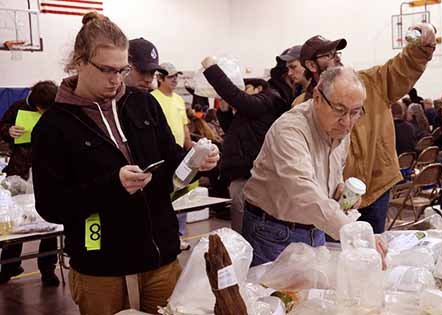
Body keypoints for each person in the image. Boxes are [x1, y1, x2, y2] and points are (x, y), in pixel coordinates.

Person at [31, 12, 219, 315]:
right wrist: (112, 185)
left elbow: (171, 161)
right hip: (101, 270)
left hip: (161, 261)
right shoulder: (54, 126)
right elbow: (51, 206)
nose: (115, 79)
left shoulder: (144, 104)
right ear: (79, 62)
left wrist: (197, 160)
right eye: (106, 69)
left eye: (122, 70)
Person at [291, 25, 436, 233]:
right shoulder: (302, 106)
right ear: (311, 65)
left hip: (376, 186)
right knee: (341, 253)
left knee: (376, 250)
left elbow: (401, 68)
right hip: (337, 197)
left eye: (337, 52)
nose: (337, 58)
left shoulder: (369, 82)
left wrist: (423, 46)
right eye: (328, 54)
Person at [242, 67, 386, 266]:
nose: (347, 122)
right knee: (273, 296)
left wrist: (339, 189)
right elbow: (303, 191)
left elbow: (330, 175)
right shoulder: (290, 129)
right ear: (317, 98)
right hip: (273, 232)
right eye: (340, 110)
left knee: (314, 295)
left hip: (316, 227)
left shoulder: (339, 127)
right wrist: (354, 235)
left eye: (355, 112)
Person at [201, 55, 290, 233]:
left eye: (246, 88)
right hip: (240, 175)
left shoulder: (267, 99)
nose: (242, 92)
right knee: (240, 226)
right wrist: (225, 111)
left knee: (244, 230)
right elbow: (234, 131)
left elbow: (239, 98)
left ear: (259, 88)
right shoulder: (253, 109)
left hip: (249, 177)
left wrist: (212, 69)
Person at [0, 81, 60, 286]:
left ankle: (48, 270)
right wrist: (8, 131)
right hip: (20, 170)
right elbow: (1, 127)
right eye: (42, 109)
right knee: (14, 223)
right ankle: (9, 266)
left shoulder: (60, 110)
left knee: (50, 224)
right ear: (35, 104)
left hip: (49, 173)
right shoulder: (17, 107)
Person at [151, 62, 193, 251]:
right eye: (171, 76)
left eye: (177, 76)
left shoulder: (178, 99)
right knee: (165, 197)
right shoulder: (153, 99)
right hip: (161, 154)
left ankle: (179, 235)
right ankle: (165, 236)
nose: (175, 80)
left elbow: (184, 126)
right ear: (160, 78)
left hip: (178, 154)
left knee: (182, 195)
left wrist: (190, 148)